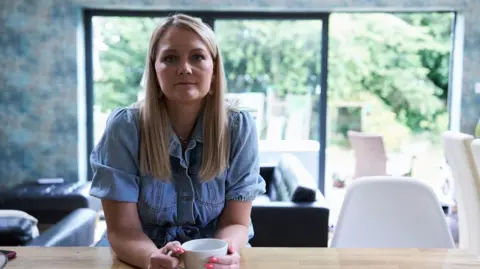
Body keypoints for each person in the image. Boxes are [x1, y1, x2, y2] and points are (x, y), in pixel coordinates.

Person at [89, 13, 266, 269]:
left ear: (214, 71)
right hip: (138, 259)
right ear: (154, 70)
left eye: (197, 56)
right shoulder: (125, 127)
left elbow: (236, 222)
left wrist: (221, 254)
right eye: (170, 58)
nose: (184, 68)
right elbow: (122, 230)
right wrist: (152, 259)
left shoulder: (238, 127)